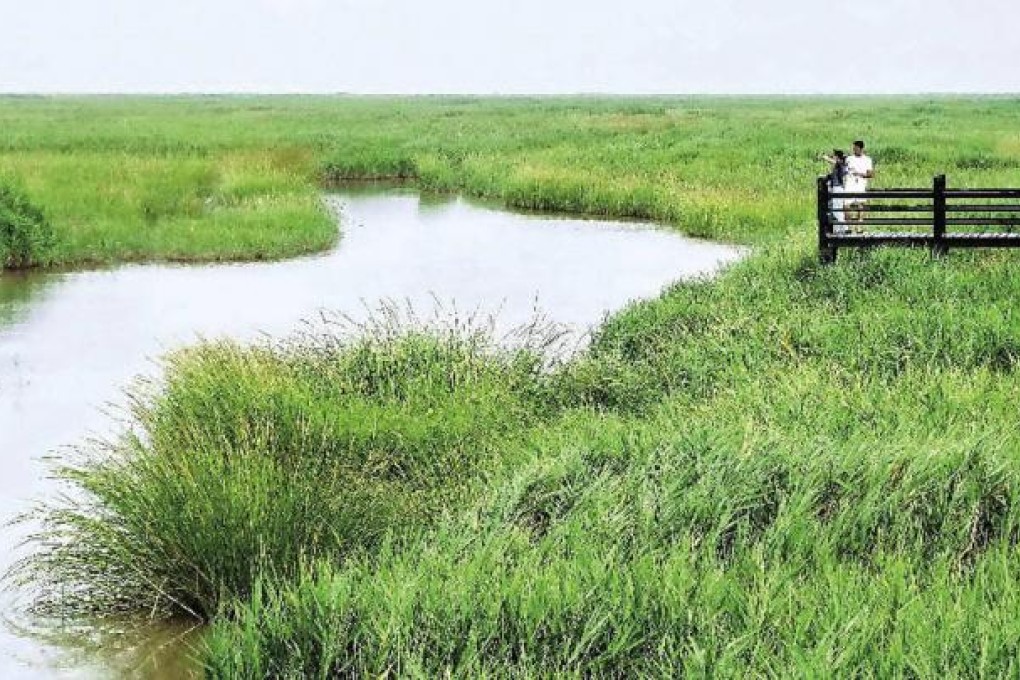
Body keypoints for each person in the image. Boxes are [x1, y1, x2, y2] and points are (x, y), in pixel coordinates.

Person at [844, 140, 874, 229]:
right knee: (846, 204)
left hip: (860, 183)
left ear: (861, 149)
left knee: (860, 204)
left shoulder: (867, 160)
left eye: (856, 148)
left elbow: (870, 174)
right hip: (850, 183)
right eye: (853, 148)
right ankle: (849, 226)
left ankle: (859, 226)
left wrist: (859, 174)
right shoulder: (849, 159)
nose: (854, 150)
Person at [819, 149, 848, 233]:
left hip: (838, 188)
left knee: (836, 210)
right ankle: (839, 229)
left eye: (834, 155)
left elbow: (834, 162)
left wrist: (825, 157)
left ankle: (844, 228)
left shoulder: (840, 164)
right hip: (837, 188)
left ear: (837, 157)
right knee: (837, 209)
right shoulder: (839, 165)